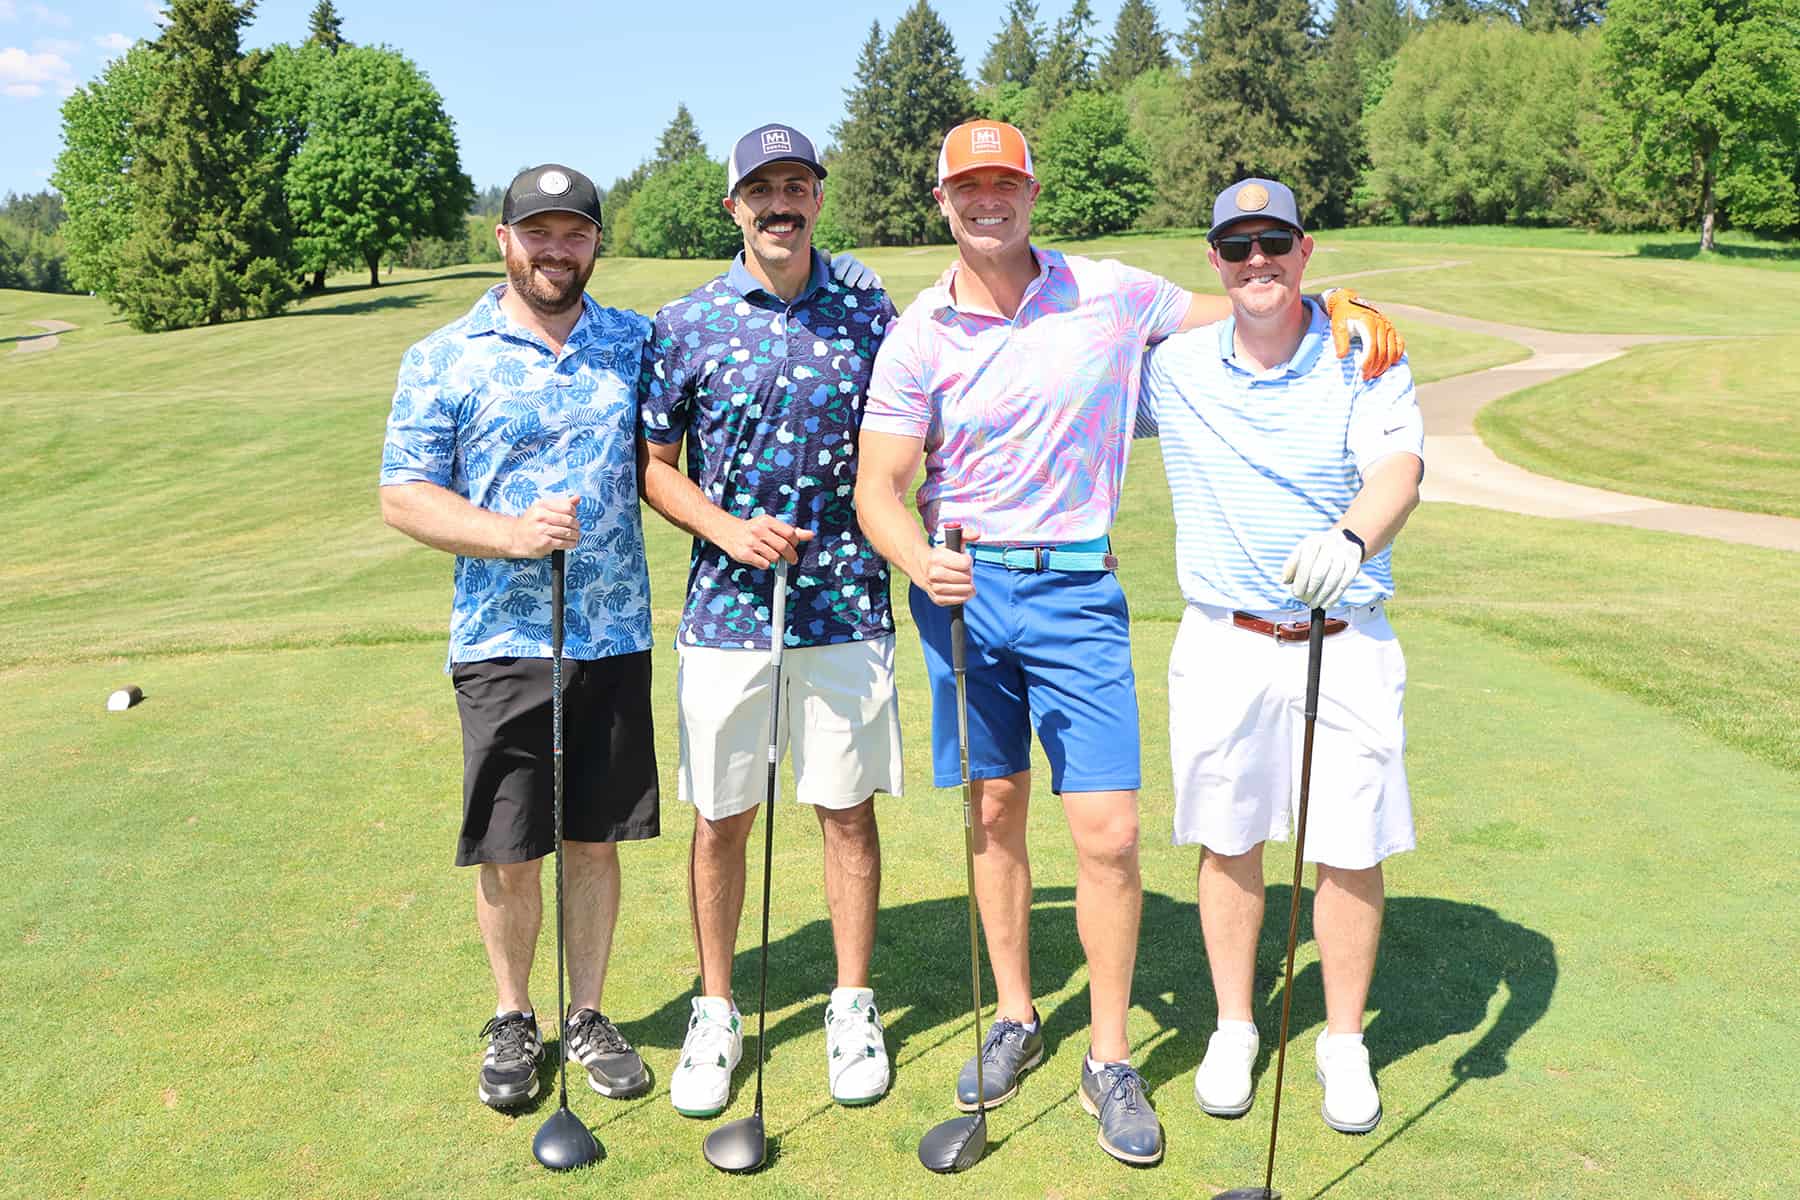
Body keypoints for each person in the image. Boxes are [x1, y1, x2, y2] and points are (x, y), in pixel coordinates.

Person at [854, 120, 1404, 1167]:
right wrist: (918, 562)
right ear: (942, 201)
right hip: (962, 593)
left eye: (1003, 184)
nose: (987, 204)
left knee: (1107, 835)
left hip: (1076, 591)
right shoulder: (918, 331)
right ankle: (1015, 1013)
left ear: (1031, 191)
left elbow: (1245, 305)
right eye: (967, 189)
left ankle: (1109, 1055)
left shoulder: (1107, 291)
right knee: (995, 807)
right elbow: (879, 488)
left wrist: (1339, 308)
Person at [1138, 176, 1424, 1136]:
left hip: (1343, 640)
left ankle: (1343, 1040)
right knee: (1229, 834)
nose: (1256, 261)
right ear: (1214, 262)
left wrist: (1351, 539)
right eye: (1236, 247)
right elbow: (1064, 343)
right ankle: (1232, 1025)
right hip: (1225, 641)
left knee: (1348, 843)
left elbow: (1398, 468)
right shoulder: (1171, 369)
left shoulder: (1362, 353)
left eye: (1275, 243)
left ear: (1306, 251)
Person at [380, 164, 658, 1111]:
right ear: (503, 239)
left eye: (573, 232)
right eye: (537, 232)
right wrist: (508, 535)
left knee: (594, 838)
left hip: (614, 632)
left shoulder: (635, 342)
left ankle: (585, 1013)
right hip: (501, 639)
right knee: (510, 847)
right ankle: (512, 1016)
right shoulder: (442, 356)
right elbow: (402, 494)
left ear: (594, 243)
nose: (556, 249)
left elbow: (670, 463)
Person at [638, 124, 903, 1117]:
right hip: (727, 611)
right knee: (722, 814)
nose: (780, 204)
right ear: (733, 208)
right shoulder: (688, 322)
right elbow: (656, 468)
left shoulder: (869, 308)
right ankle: (716, 1010)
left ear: (818, 199)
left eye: (796, 185)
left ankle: (851, 1003)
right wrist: (724, 528)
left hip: (844, 602)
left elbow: (915, 421)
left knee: (845, 808)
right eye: (762, 189)